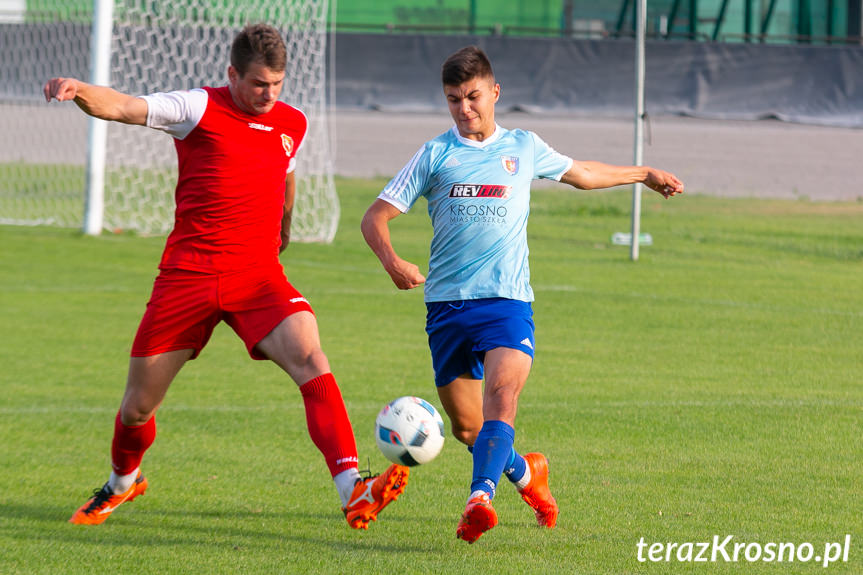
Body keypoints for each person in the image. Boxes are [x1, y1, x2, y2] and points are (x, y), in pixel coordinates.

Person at [45, 23, 408, 530]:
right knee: (136, 408)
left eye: (278, 84)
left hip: (257, 275)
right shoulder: (197, 107)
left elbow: (287, 171)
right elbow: (123, 106)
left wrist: (284, 225)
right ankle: (122, 482)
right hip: (187, 277)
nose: (269, 94)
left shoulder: (293, 122)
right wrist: (81, 90)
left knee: (309, 353)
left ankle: (353, 489)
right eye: (259, 83)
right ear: (233, 73)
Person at [361, 45, 684, 544]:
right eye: (453, 100)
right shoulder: (435, 154)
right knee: (469, 429)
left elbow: (583, 174)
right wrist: (393, 261)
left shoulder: (523, 146)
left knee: (502, 399)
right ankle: (529, 476)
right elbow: (375, 216)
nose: (464, 109)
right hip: (446, 306)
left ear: (494, 92)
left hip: (507, 303)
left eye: (472, 97)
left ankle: (479, 499)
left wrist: (643, 174)